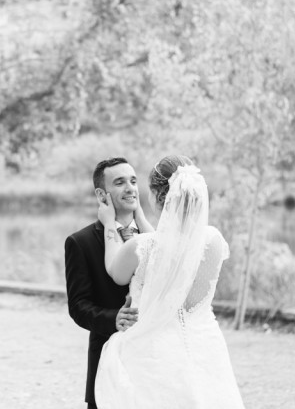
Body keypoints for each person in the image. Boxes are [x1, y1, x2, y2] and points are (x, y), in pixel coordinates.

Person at [95, 155, 245, 408]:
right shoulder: (213, 240)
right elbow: (170, 258)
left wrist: (109, 223)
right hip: (205, 345)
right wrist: (141, 216)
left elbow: (115, 271)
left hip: (155, 351)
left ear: (156, 196)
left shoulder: (140, 247)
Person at [64, 157, 155, 409]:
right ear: (101, 194)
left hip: (153, 357)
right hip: (107, 355)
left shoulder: (153, 237)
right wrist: (112, 318)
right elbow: (78, 306)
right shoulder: (79, 242)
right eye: (120, 182)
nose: (130, 188)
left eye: (133, 181)